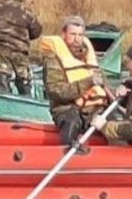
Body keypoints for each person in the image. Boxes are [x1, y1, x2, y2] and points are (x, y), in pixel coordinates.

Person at [41, 15, 108, 146]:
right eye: (72, 34)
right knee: (72, 122)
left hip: (93, 109)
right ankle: (65, 153)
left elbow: (103, 83)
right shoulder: (53, 60)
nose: (76, 39)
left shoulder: (89, 57)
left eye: (80, 35)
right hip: (66, 108)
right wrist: (88, 82)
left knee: (115, 121)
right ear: (64, 34)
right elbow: (56, 91)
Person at [0, 0, 42, 95]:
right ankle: (26, 100)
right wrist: (25, 37)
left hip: (1, 48)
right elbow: (37, 31)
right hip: (20, 51)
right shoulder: (26, 11)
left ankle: (3, 96)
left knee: (2, 73)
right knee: (23, 78)